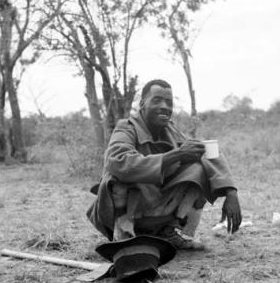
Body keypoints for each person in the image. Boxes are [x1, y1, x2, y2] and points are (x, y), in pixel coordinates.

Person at [87, 79, 241, 249]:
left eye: (169, 102)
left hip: (154, 205)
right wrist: (176, 155)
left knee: (200, 169)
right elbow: (118, 161)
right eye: (157, 100)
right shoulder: (126, 127)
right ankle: (124, 237)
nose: (164, 106)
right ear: (142, 104)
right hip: (128, 209)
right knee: (116, 175)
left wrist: (231, 192)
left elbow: (207, 152)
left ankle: (170, 233)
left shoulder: (170, 129)